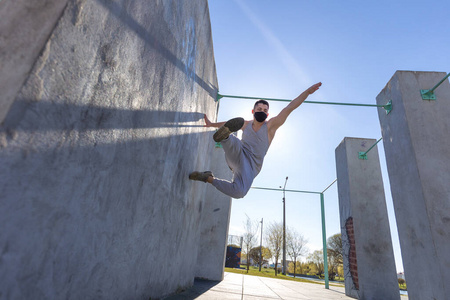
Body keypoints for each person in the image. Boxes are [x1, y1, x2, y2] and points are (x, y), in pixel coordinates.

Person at [189, 82, 322, 198]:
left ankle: (208, 178)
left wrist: (308, 92)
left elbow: (289, 108)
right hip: (239, 153)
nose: (262, 111)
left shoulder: (270, 126)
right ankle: (225, 136)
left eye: (265, 110)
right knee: (234, 141)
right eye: (259, 109)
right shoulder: (245, 124)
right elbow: (228, 122)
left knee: (239, 193)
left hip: (251, 167)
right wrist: (212, 124)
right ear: (253, 111)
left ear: (268, 114)